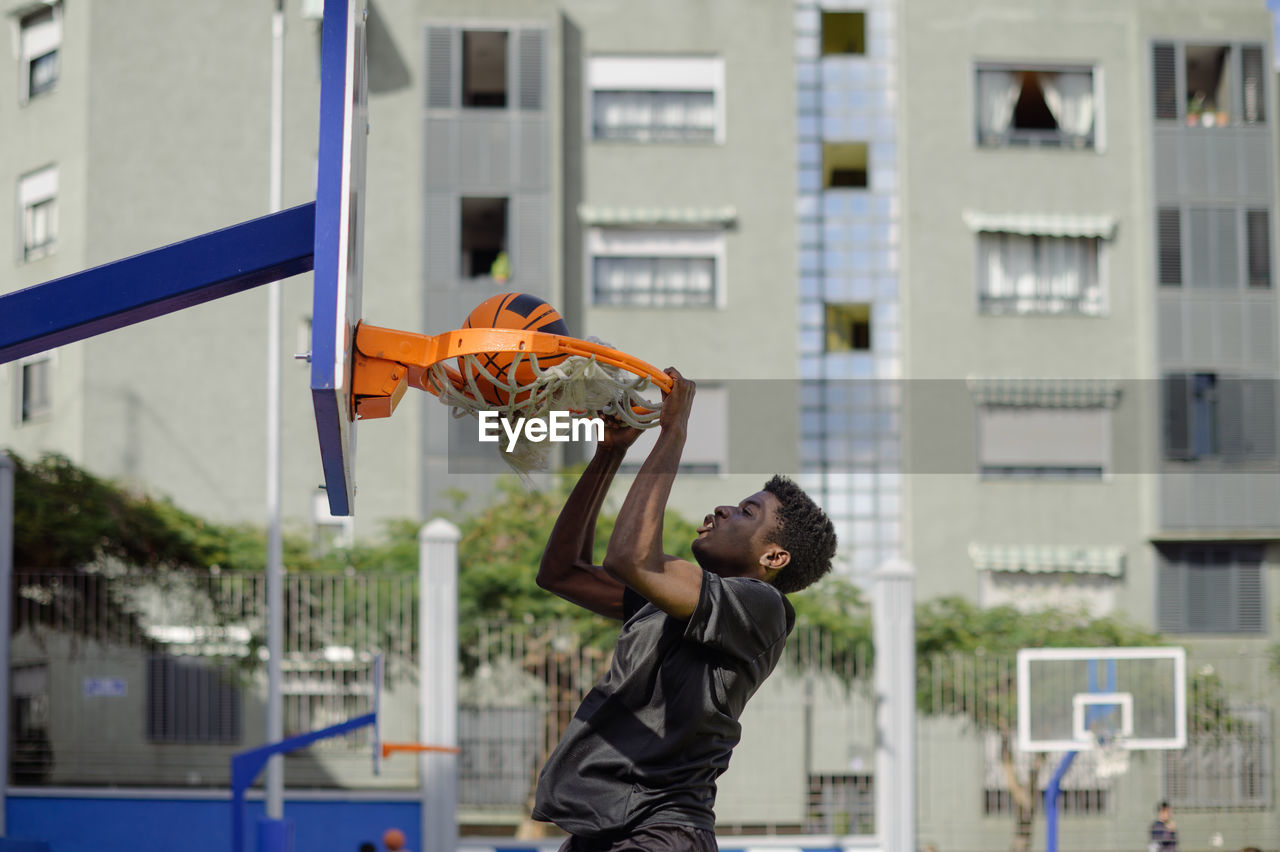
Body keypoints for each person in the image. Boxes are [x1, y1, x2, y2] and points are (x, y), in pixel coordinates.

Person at [531, 369, 838, 850]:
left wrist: (672, 430)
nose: (723, 509)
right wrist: (610, 451)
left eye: (747, 511)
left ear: (773, 558)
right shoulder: (672, 602)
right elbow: (563, 572)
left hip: (663, 831)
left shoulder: (763, 607)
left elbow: (630, 558)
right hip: (606, 828)